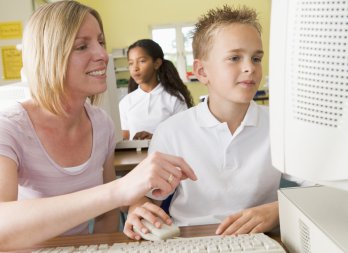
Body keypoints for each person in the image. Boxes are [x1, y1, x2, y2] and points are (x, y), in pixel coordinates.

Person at [0, 2, 196, 252]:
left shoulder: (101, 123)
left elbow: (108, 217)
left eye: (100, 42)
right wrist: (118, 191)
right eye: (82, 46)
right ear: (49, 56)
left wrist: (132, 208)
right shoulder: (5, 127)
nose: (103, 55)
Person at [124, 5, 293, 240]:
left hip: (261, 240)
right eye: (234, 58)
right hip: (190, 239)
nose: (250, 68)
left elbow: (318, 191)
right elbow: (147, 197)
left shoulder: (282, 126)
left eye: (256, 58)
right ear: (202, 72)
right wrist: (137, 207)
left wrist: (278, 211)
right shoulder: (172, 132)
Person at [119, 39, 194, 140]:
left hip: (168, 155)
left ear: (157, 63)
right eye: (131, 63)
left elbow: (185, 135)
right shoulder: (125, 102)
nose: (135, 68)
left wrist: (155, 139)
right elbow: (124, 139)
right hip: (136, 156)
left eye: (142, 61)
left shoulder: (174, 98)